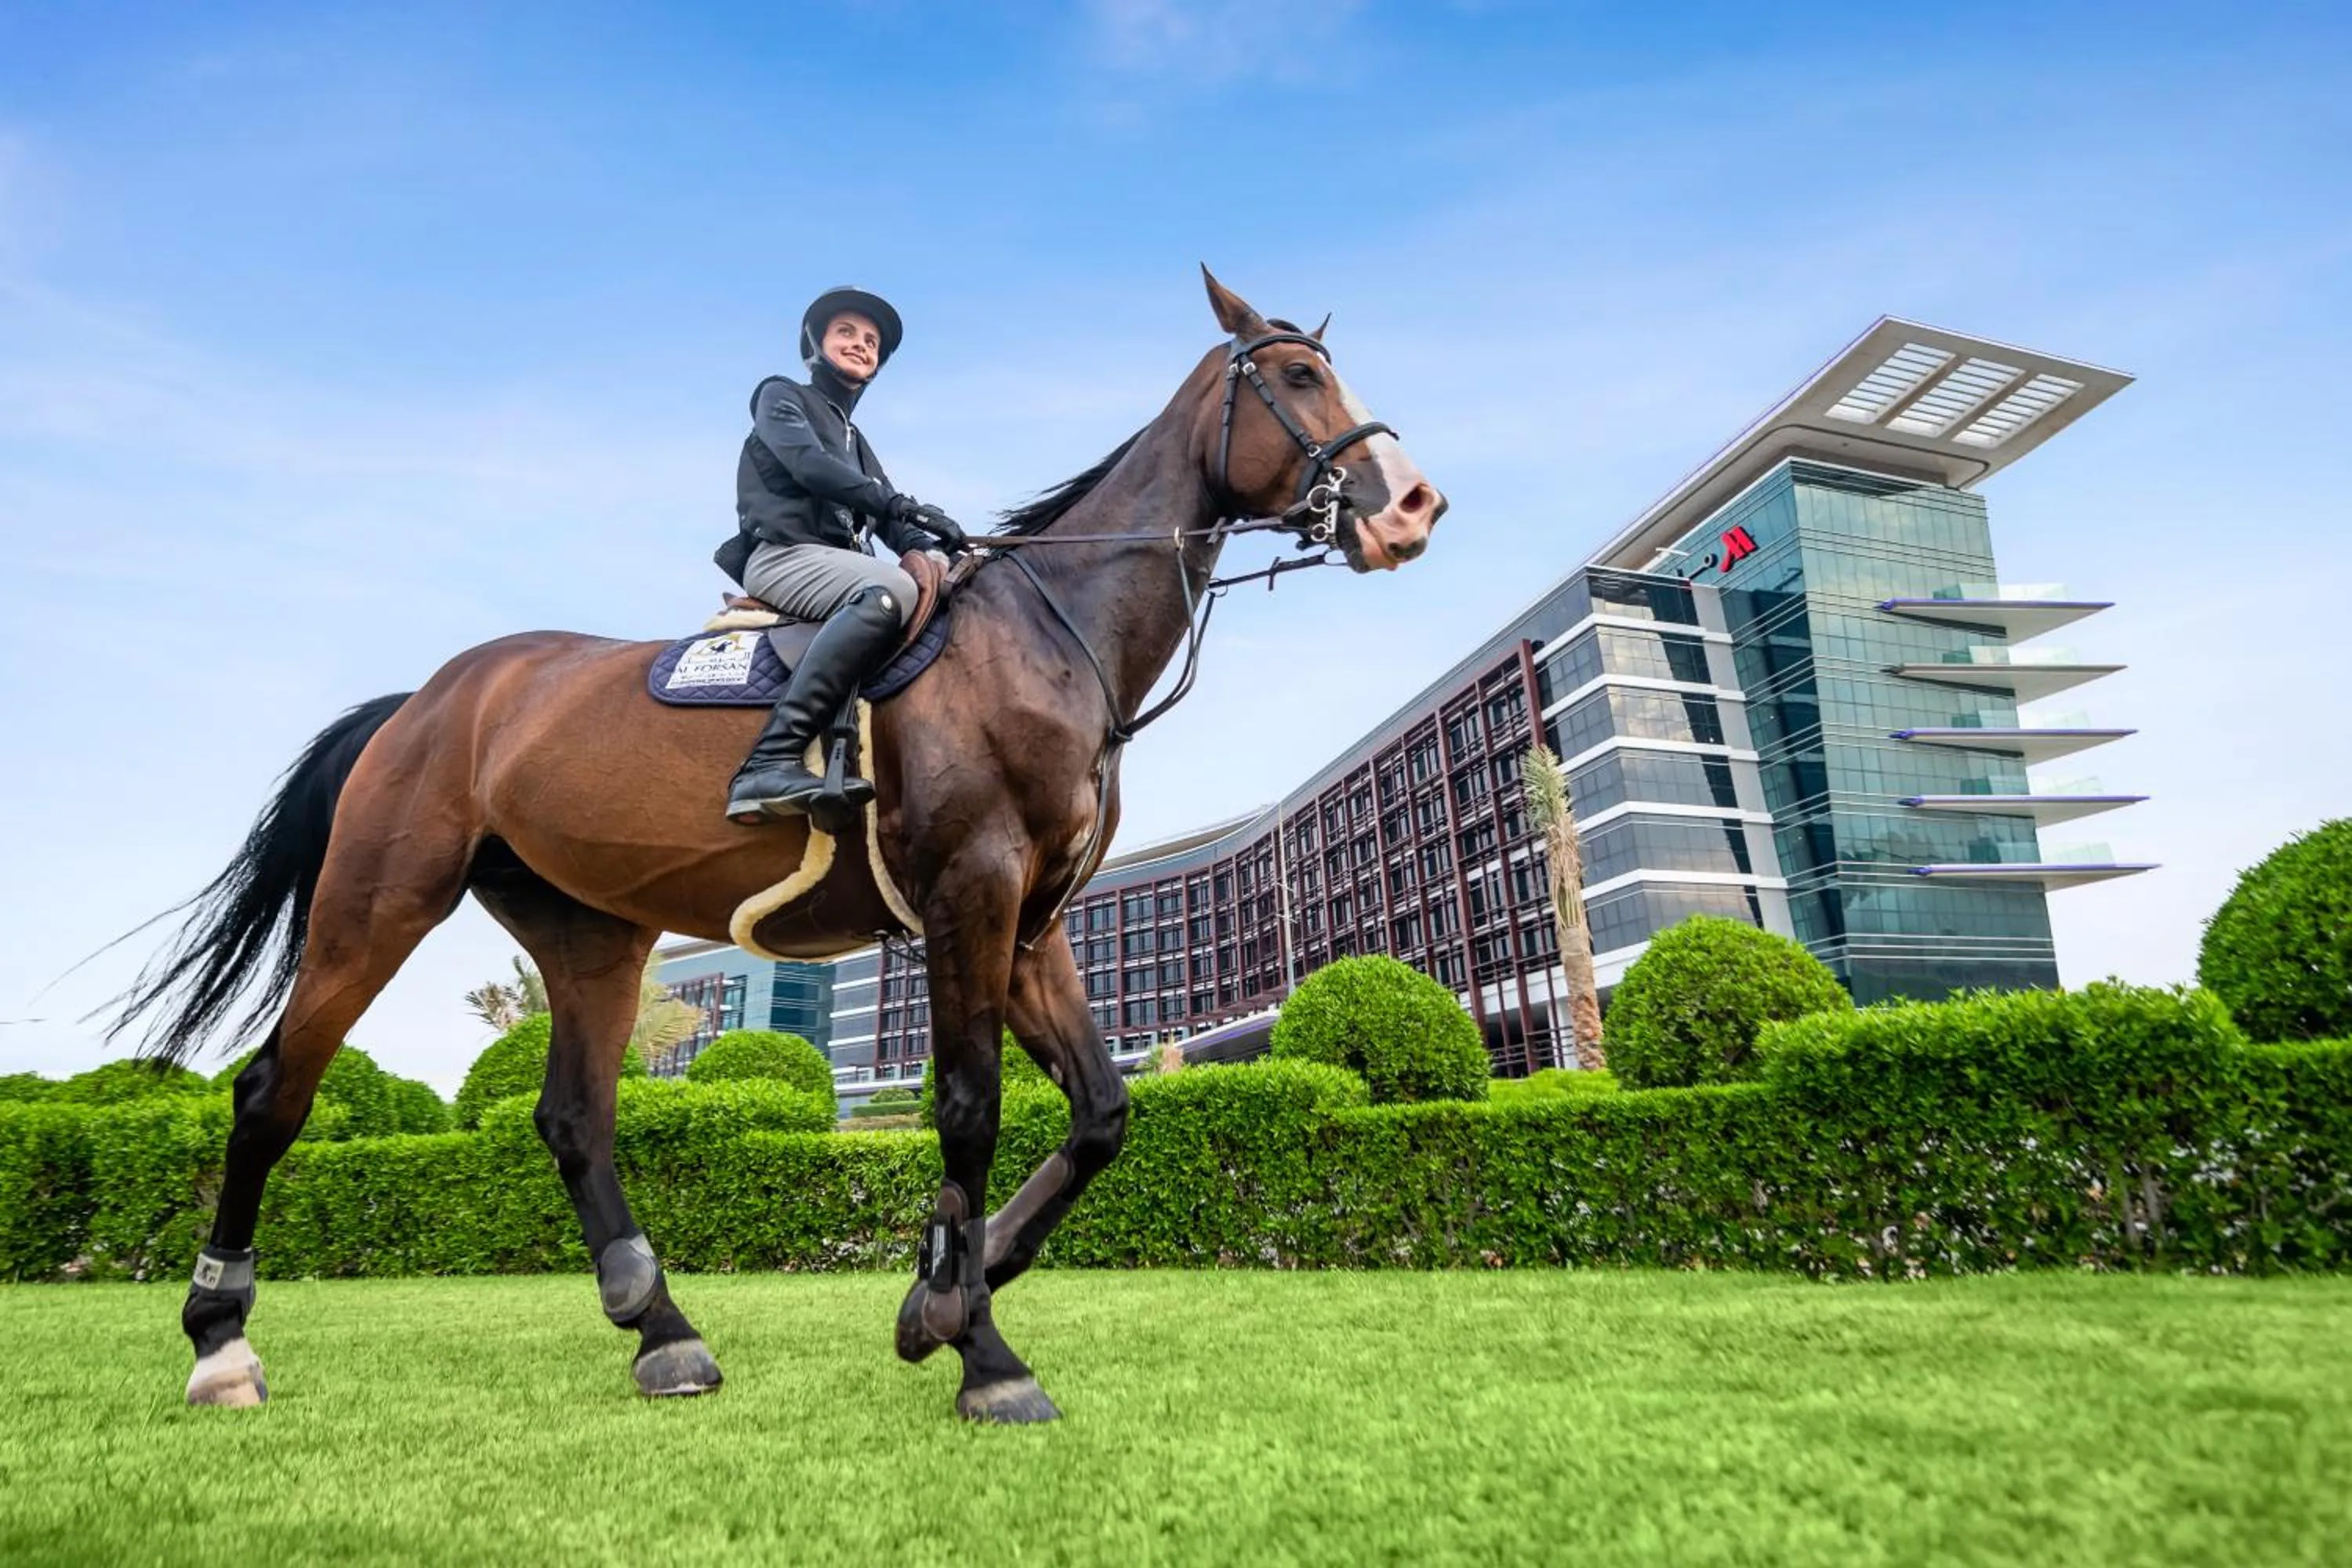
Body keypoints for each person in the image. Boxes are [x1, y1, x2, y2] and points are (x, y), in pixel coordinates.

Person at [715, 286, 968, 826]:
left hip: (836, 566)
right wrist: (901, 507)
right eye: (846, 333)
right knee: (892, 589)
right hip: (784, 556)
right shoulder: (780, 395)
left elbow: (893, 521)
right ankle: (769, 760)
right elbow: (810, 466)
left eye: (871, 341)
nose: (861, 345)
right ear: (816, 344)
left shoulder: (857, 441)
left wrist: (941, 546)